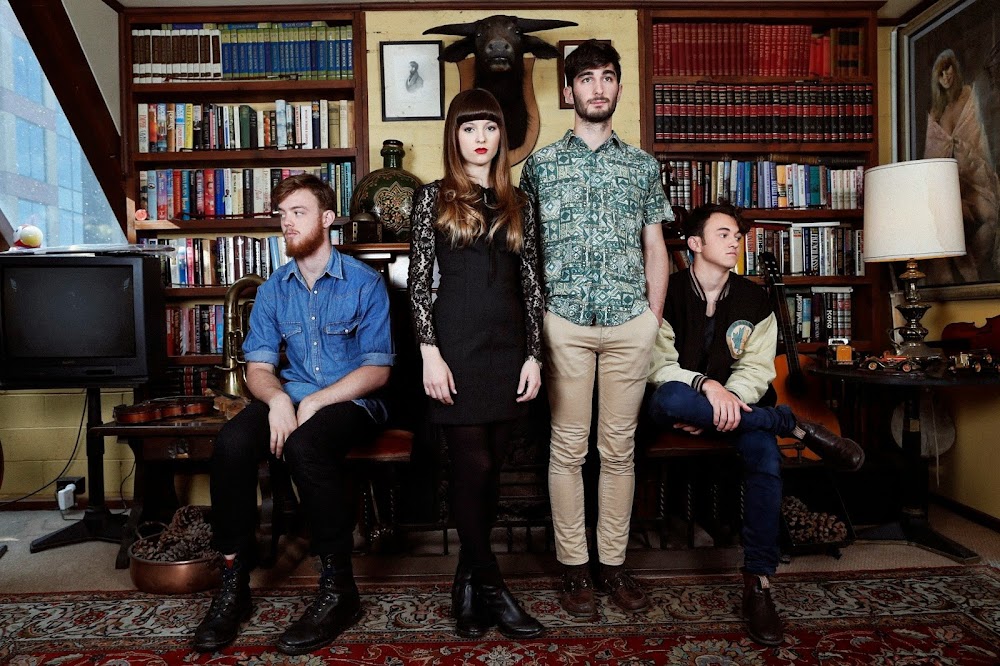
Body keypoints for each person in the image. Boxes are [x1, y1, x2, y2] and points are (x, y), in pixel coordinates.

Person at [645, 201, 865, 647]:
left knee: (764, 454)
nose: (735, 243)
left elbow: (756, 369)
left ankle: (759, 583)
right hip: (676, 401)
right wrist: (706, 387)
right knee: (670, 397)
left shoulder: (755, 299)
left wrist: (723, 406)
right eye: (723, 234)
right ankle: (786, 420)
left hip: (733, 411)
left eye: (738, 236)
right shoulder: (666, 291)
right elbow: (657, 364)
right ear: (695, 244)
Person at [193, 174, 394, 655]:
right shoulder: (272, 290)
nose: (287, 223)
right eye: (282, 215)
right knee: (231, 443)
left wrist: (316, 402)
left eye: (298, 213)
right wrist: (280, 401)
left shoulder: (365, 283)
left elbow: (378, 369)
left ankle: (339, 590)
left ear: (327, 219)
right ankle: (234, 582)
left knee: (306, 446)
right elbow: (259, 368)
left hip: (354, 403)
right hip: (295, 396)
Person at [519, 39, 671, 617]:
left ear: (619, 87)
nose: (597, 87)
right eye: (586, 78)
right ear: (569, 91)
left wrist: (652, 320)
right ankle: (574, 569)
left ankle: (613, 565)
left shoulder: (642, 166)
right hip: (564, 326)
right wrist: (537, 325)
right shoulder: (540, 166)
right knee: (567, 448)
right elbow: (527, 254)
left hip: (630, 323)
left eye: (607, 76)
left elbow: (655, 247)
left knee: (619, 450)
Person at [408, 88, 545, 639]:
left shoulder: (520, 202)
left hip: (508, 350)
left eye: (490, 127)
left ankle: (466, 584)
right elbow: (419, 284)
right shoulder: (432, 197)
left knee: (491, 473)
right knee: (475, 468)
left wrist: (534, 355)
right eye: (469, 128)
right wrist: (429, 353)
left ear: (501, 136)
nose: (481, 138)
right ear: (454, 137)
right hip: (455, 349)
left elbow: (533, 284)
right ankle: (492, 585)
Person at [923, 48, 1000, 283]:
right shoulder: (936, 113)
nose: (946, 76)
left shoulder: (969, 97)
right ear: (936, 79)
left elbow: (980, 140)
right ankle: (965, 273)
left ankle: (970, 270)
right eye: (941, 73)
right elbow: (931, 159)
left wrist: (965, 152)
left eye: (949, 70)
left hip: (974, 178)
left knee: (992, 217)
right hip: (947, 186)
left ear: (955, 70)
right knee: (950, 222)